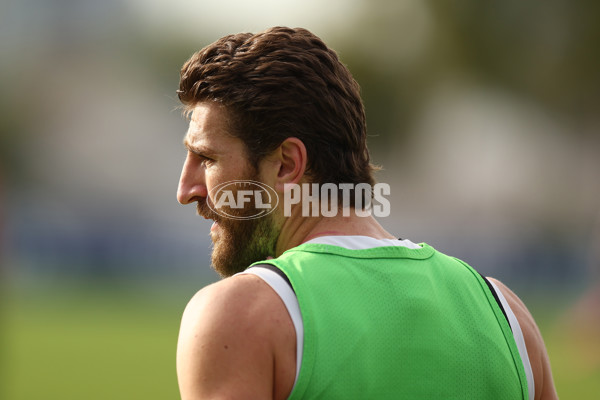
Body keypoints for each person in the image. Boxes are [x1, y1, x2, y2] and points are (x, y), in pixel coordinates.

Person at [175, 26, 558, 399]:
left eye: (206, 158)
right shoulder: (508, 317)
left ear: (287, 164)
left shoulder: (240, 316)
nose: (185, 190)